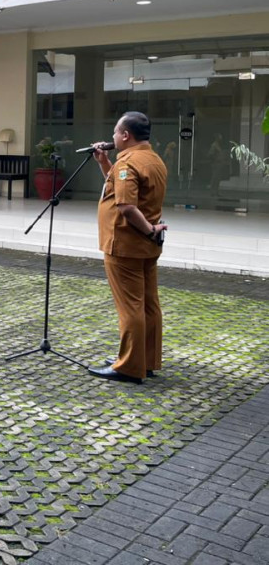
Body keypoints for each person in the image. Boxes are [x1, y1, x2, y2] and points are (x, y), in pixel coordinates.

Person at [88, 111, 169, 385]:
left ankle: (129, 367)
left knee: (130, 307)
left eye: (115, 132)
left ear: (125, 135)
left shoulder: (128, 164)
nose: (111, 137)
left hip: (124, 245)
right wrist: (105, 163)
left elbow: (125, 205)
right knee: (148, 304)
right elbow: (122, 191)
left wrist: (147, 232)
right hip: (146, 247)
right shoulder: (153, 159)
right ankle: (145, 360)